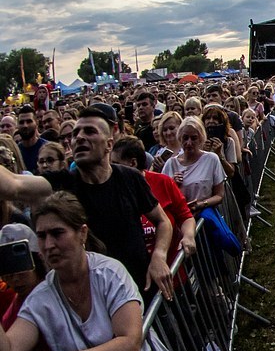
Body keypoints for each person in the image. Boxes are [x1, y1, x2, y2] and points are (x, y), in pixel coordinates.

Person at [0, 192, 180, 351]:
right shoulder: (41, 297)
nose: (48, 245)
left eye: (57, 233)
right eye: (41, 236)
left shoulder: (109, 273)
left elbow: (130, 343)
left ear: (82, 233)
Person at [0, 104, 175, 299]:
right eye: (76, 134)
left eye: (90, 131)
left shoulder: (130, 178)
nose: (79, 137)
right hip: (92, 300)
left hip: (141, 290)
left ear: (109, 144)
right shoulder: (62, 183)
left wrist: (159, 256)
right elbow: (13, 185)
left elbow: (162, 221)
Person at [112, 136, 196, 263]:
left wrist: (188, 236)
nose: (111, 169)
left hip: (172, 268)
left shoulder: (163, 182)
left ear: (133, 163)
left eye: (115, 164)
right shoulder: (112, 189)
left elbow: (185, 216)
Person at [162, 117, 226, 214]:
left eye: (194, 138)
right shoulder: (171, 164)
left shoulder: (211, 159)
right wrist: (171, 184)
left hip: (204, 215)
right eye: (185, 138)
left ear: (201, 139)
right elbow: (162, 197)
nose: (189, 143)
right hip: (178, 217)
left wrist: (201, 204)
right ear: (180, 138)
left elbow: (219, 195)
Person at [16, 105, 48, 173]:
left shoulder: (47, 148)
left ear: (36, 122)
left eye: (29, 121)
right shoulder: (15, 152)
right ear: (17, 125)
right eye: (21, 122)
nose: (25, 125)